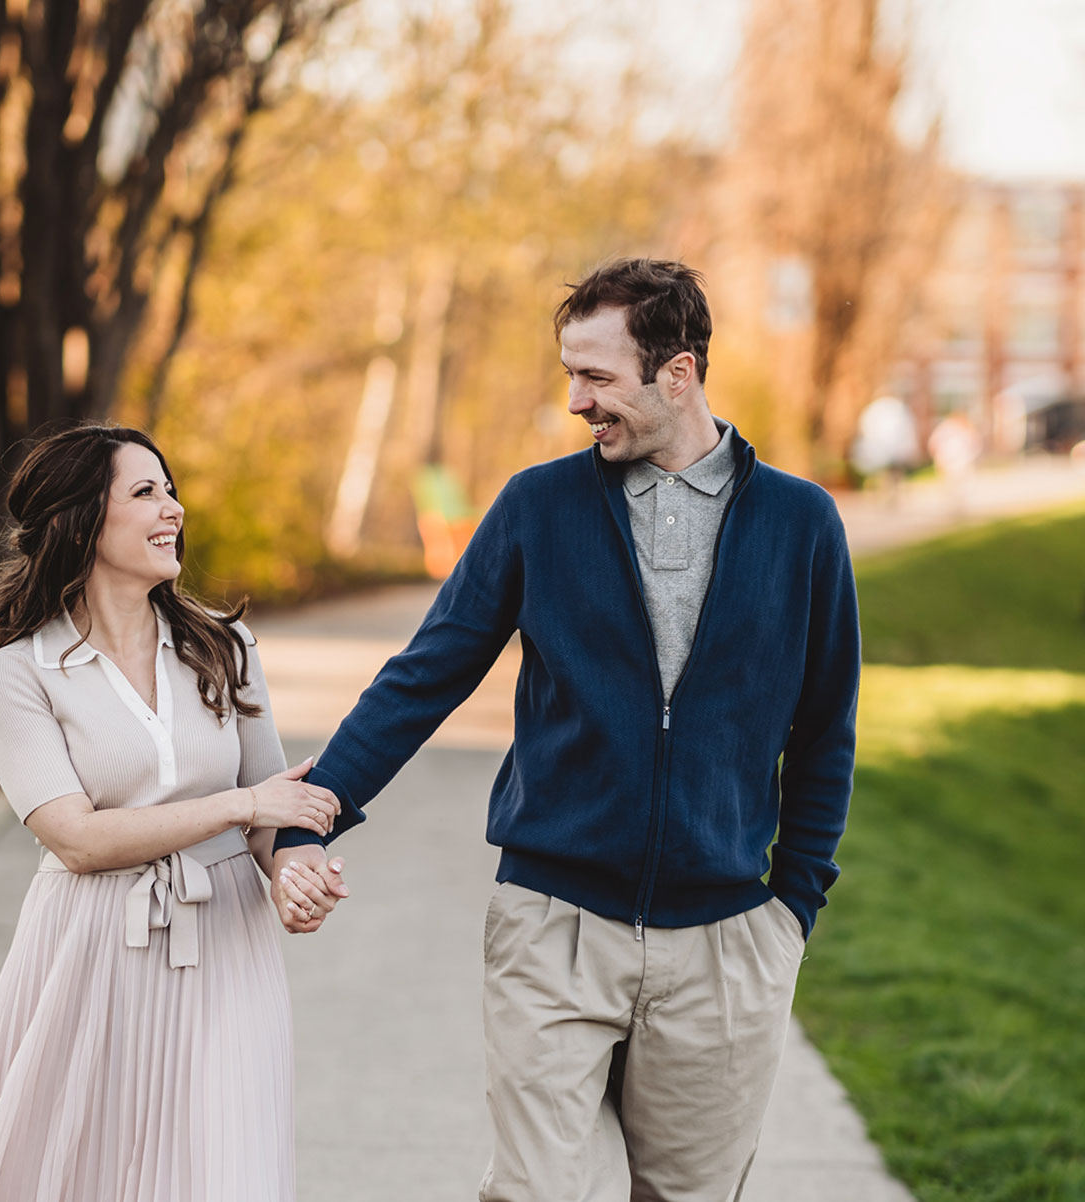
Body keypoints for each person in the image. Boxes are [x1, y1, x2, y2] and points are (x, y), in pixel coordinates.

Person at [270, 260, 861, 1202]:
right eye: (569, 375)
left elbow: (828, 728)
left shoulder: (801, 523)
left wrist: (792, 906)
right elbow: (425, 677)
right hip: (554, 925)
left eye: (597, 378)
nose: (577, 401)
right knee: (536, 1192)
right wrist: (313, 811)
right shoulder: (538, 508)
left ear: (678, 373)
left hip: (725, 941)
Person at [0, 424, 342, 1202]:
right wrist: (245, 804)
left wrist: (296, 871)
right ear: (81, 520)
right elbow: (77, 839)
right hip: (88, 948)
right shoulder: (22, 672)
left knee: (227, 1170)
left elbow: (269, 813)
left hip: (227, 944)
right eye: (146, 492)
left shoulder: (226, 646)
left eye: (171, 489)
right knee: (82, 1172)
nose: (173, 509)